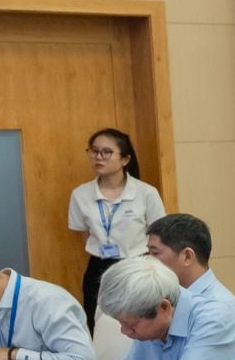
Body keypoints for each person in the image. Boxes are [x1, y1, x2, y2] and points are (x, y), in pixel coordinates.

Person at [65, 212, 235, 360]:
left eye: (131, 325)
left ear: (165, 308)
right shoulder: (154, 308)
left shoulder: (217, 315)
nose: (125, 332)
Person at [67, 127, 166, 320]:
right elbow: (83, 233)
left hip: (138, 265)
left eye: (106, 152)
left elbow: (159, 234)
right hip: (99, 267)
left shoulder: (146, 192)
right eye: (94, 151)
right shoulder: (80, 194)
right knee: (98, 322)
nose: (98, 157)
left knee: (140, 321)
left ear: (125, 159)